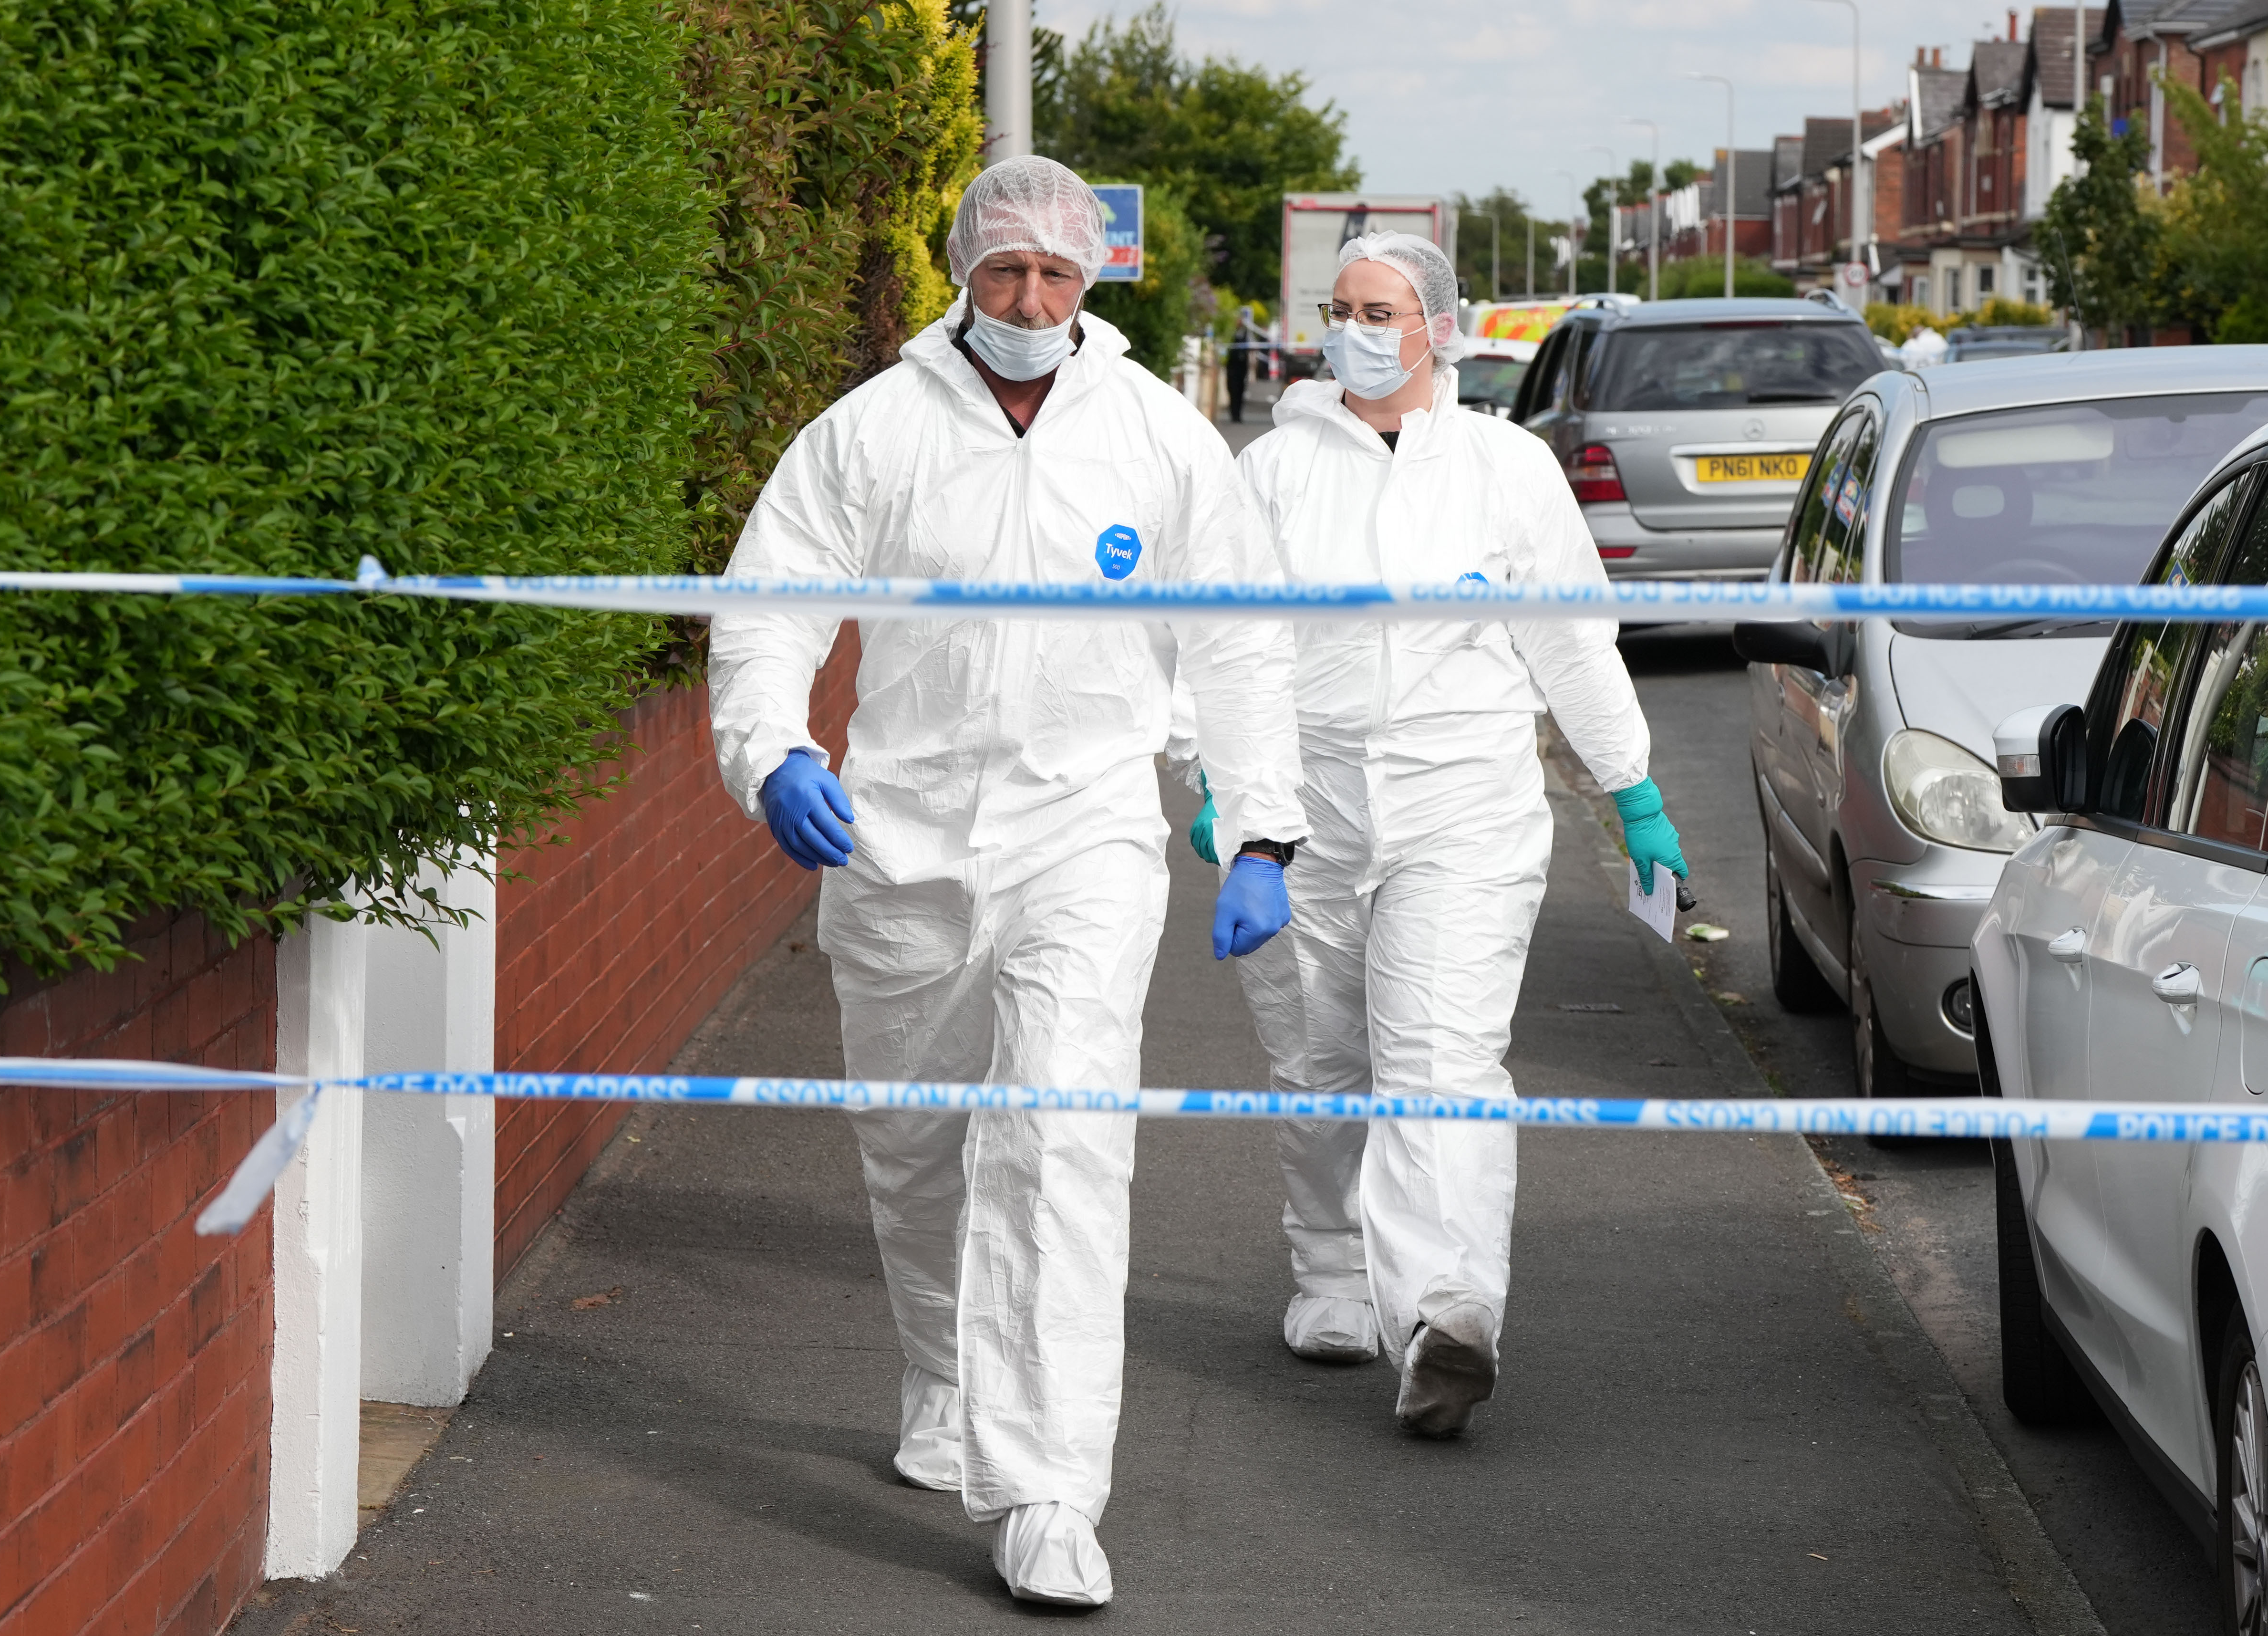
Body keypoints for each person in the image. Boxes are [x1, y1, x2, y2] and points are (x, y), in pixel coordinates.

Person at [705, 155, 1308, 1608]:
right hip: (896, 837)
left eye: (1054, 275)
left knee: (1056, 1143)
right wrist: (774, 754)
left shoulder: (1162, 442)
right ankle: (943, 1386)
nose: (1029, 300)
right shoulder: (867, 436)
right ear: (960, 272)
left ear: (1093, 278)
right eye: (1003, 273)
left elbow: (1236, 647)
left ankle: (1046, 1489)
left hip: (1084, 836)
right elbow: (766, 613)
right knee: (915, 1152)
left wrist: (1262, 828)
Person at [1222, 230, 1687, 1438]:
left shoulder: (1505, 466)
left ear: (1439, 325)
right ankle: (1329, 1270)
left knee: (1438, 1059)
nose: (1352, 328)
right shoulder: (1273, 470)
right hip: (1306, 810)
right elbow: (1220, 640)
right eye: (1337, 308)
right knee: (1321, 1059)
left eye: (1378, 309)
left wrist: (1628, 786)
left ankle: (1447, 1311)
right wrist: (1225, 789)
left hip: (1462, 804)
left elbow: (1571, 640)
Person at [1226, 304, 1257, 423]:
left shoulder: (1247, 334)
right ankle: (1233, 415)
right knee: (1232, 391)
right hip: (1232, 367)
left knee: (1240, 392)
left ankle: (1238, 415)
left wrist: (1252, 369)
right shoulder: (1231, 333)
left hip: (1242, 367)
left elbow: (1252, 349)